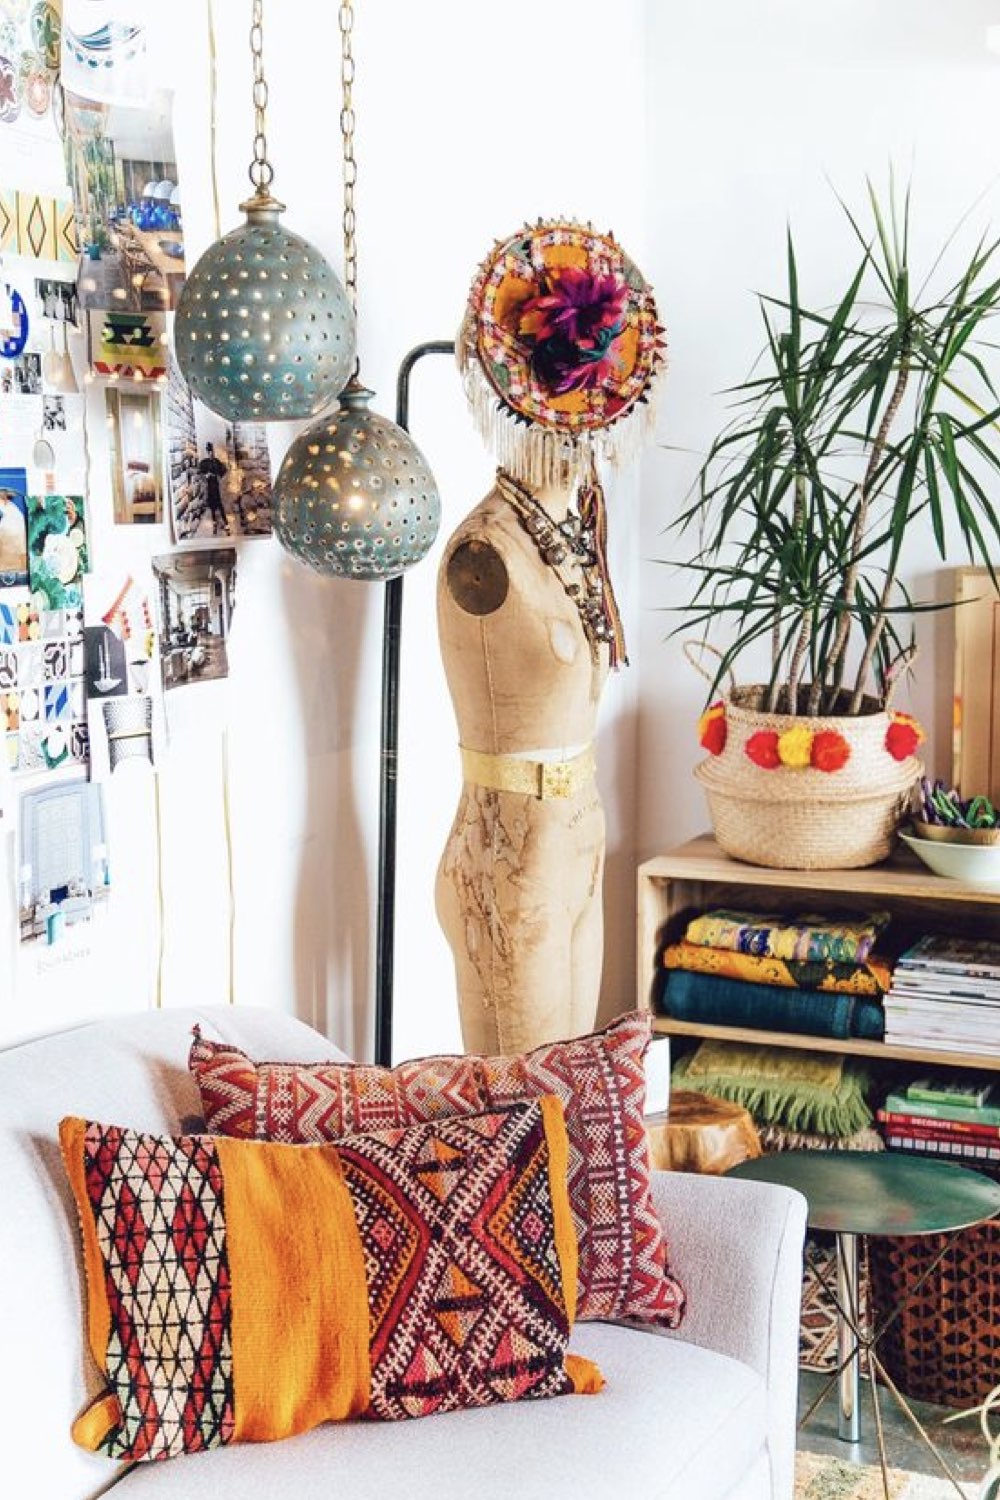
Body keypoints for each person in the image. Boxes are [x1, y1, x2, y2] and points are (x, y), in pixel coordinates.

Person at [436, 220, 664, 1056]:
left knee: (573, 1094)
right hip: (508, 856)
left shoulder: (576, 535)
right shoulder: (484, 553)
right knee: (524, 1108)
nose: (579, 433)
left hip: (578, 838)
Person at [198, 442, 229, 535]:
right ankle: (214, 523)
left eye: (212, 451)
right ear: (207, 452)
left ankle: (226, 523)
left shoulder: (216, 461)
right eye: (209, 451)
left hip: (216, 484)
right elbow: (200, 472)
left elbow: (224, 470)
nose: (211, 453)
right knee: (212, 505)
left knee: (219, 504)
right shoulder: (205, 462)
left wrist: (218, 476)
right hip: (209, 485)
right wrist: (206, 475)